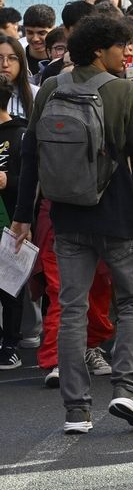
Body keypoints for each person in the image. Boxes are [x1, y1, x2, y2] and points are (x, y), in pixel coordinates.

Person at [12, 15, 133, 434]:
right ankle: (127, 389)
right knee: (131, 301)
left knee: (71, 309)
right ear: (100, 51)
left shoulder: (53, 87)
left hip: (67, 215)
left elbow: (32, 155)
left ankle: (76, 409)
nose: (127, 52)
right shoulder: (122, 90)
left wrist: (23, 216)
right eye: (120, 46)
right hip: (117, 213)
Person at [0, 77, 25, 370]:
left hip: (11, 219)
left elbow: (35, 180)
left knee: (10, 286)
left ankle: (11, 343)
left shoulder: (20, 134)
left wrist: (9, 180)